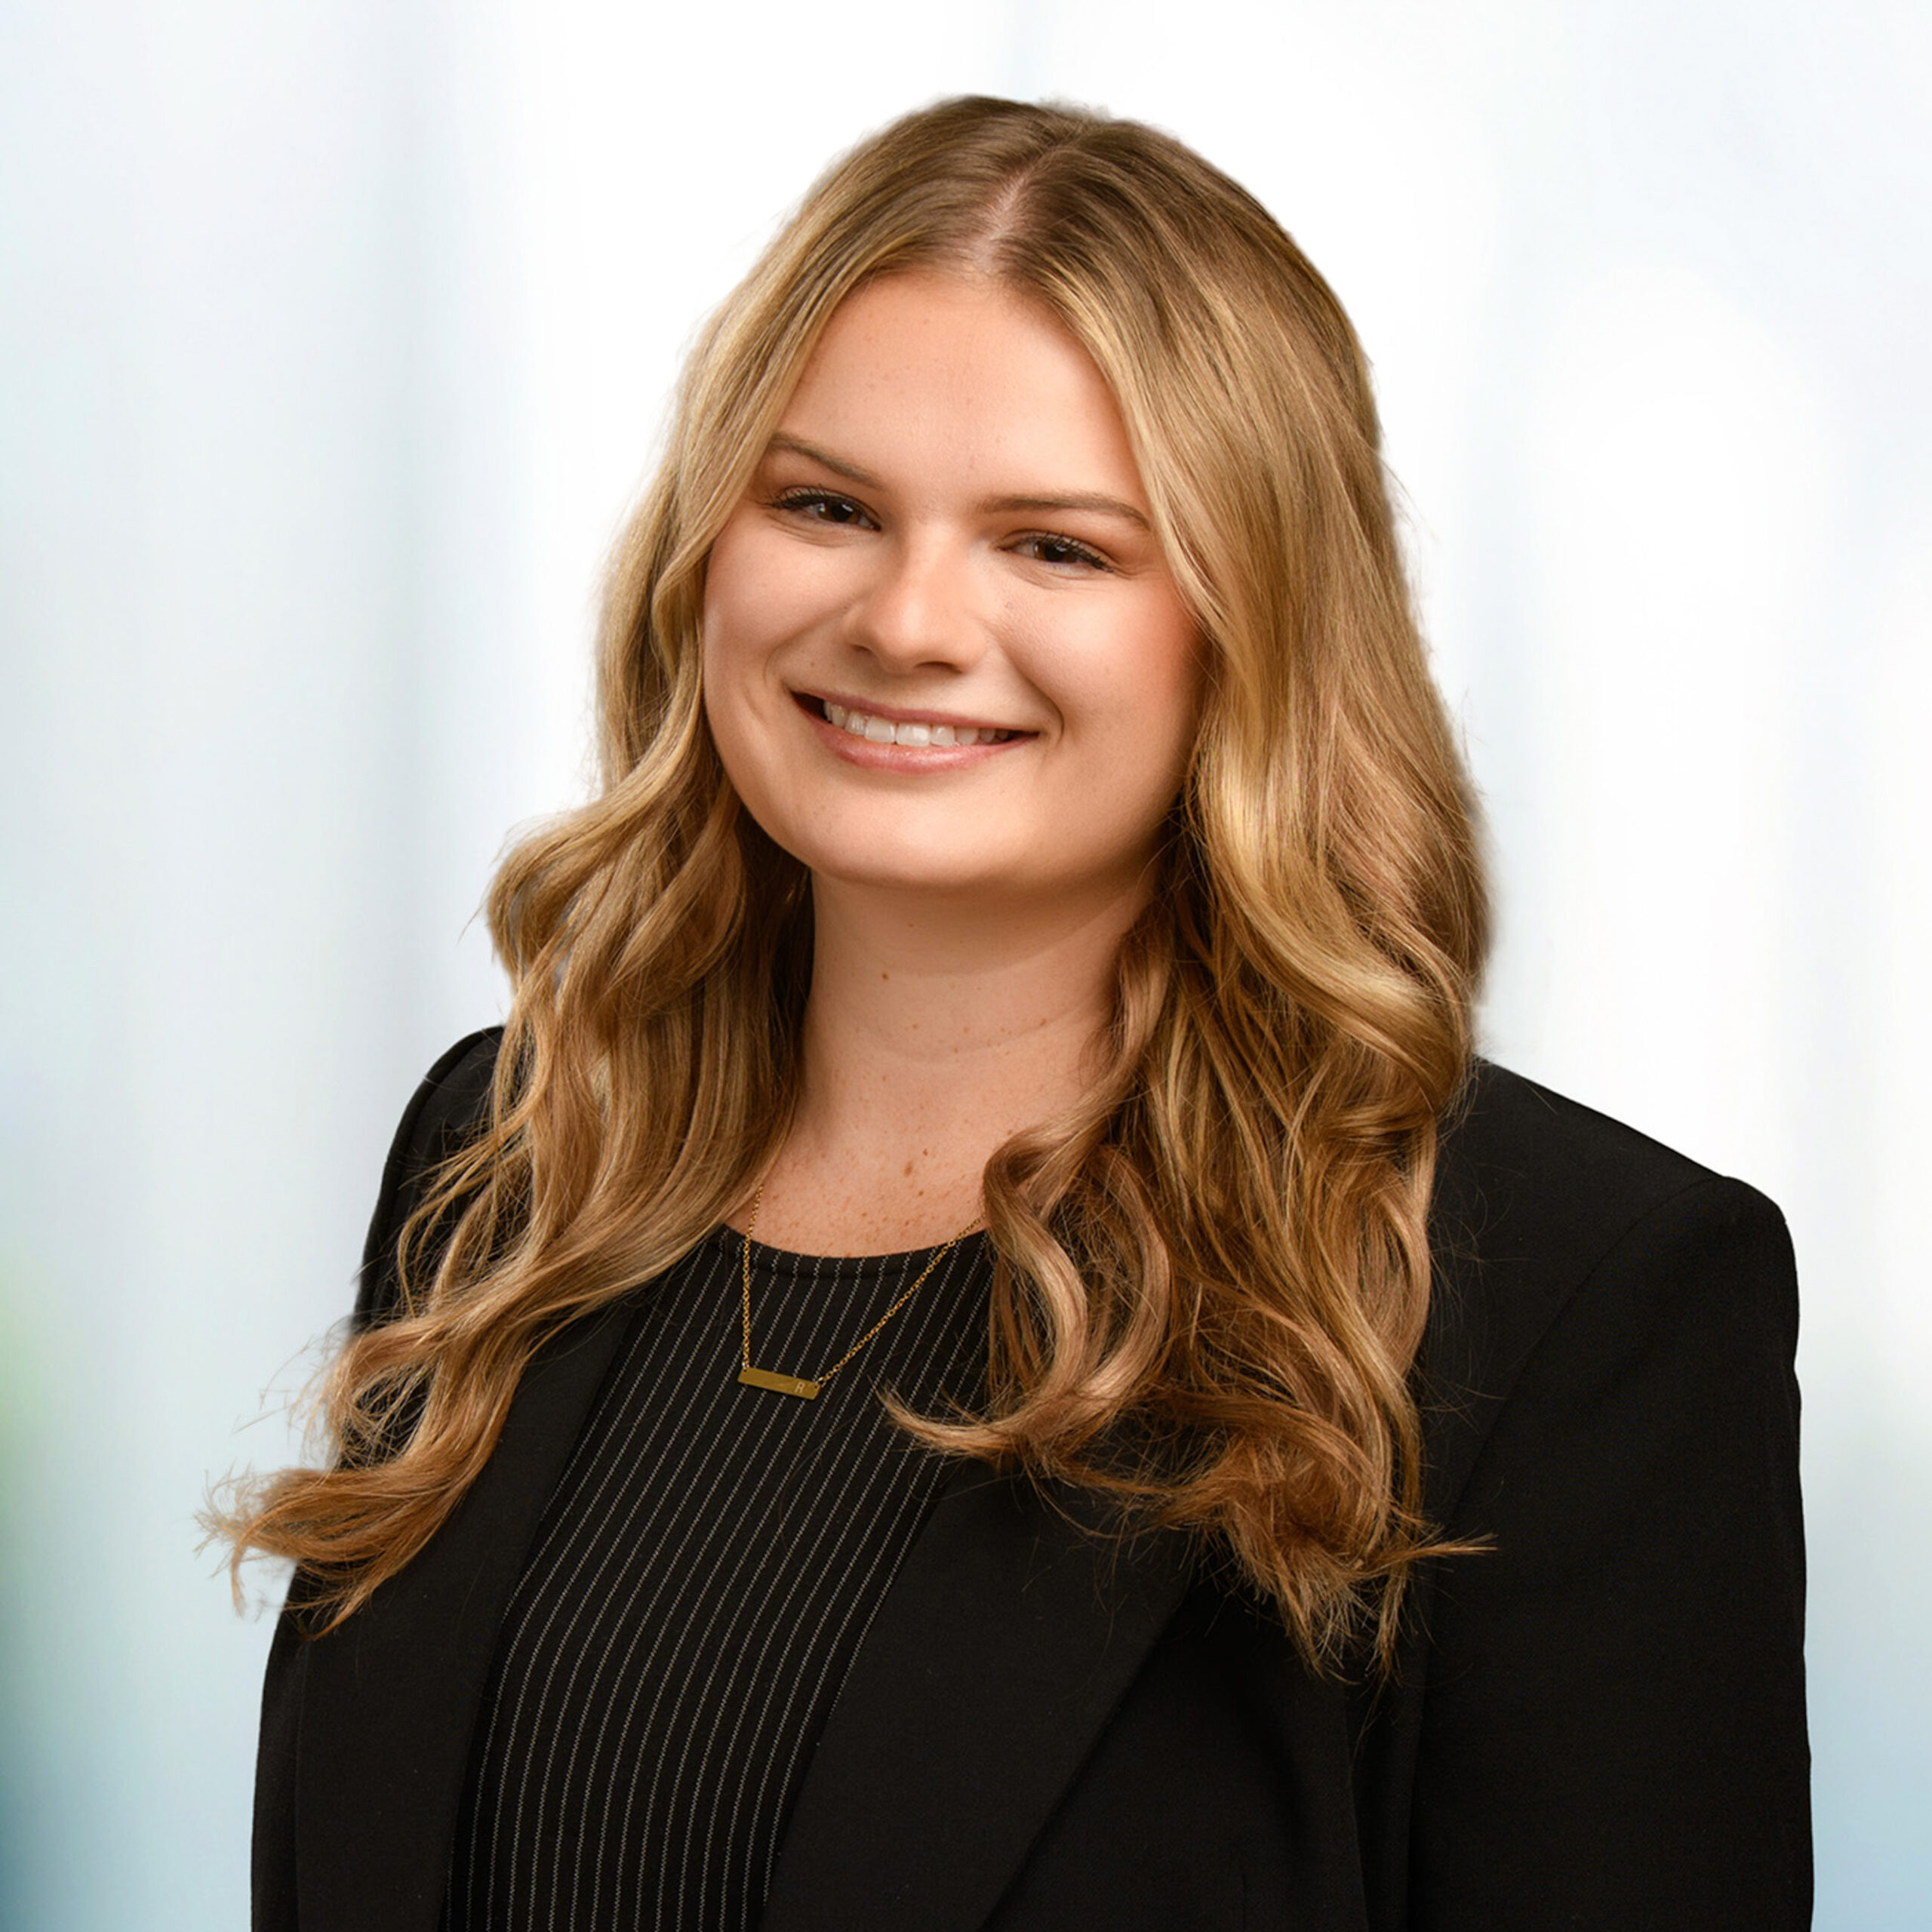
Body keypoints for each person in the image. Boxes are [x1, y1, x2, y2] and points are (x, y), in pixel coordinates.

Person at [221, 96, 1809, 1931]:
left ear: (1251, 630)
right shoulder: (509, 1154)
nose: (904, 619)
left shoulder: (1570, 1297)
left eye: (1054, 546)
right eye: (824, 505)